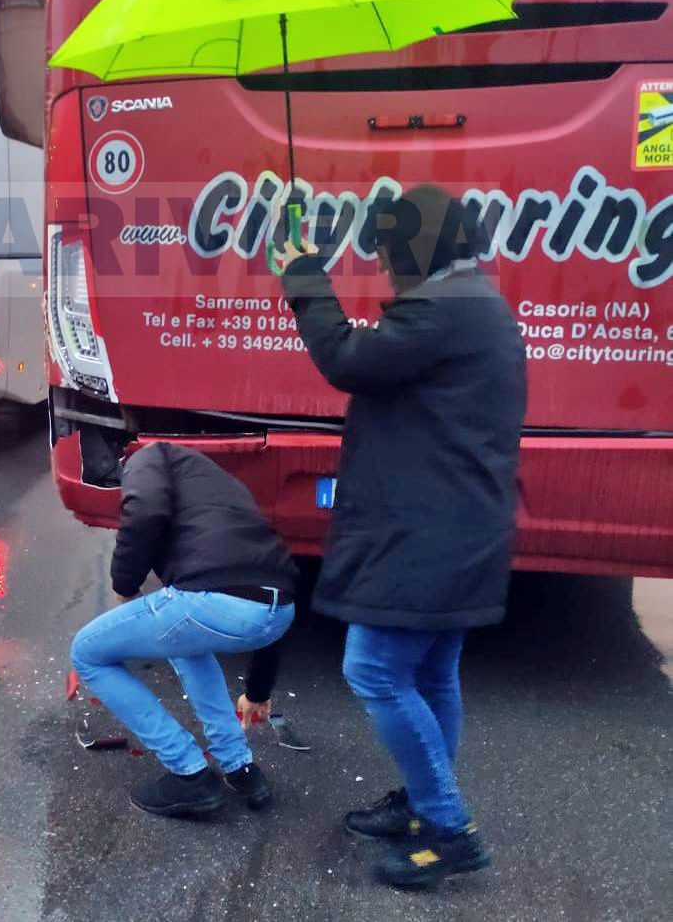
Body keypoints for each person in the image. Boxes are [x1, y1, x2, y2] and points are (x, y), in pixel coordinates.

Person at [277, 184, 526, 889]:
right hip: (458, 525)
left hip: (430, 531)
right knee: (431, 674)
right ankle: (422, 803)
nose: (383, 264)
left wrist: (302, 275)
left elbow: (349, 361)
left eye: (387, 249)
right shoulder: (470, 302)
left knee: (375, 672)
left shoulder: (446, 309)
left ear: (416, 247)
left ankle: (447, 829)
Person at [70, 441, 298, 817]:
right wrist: (257, 692)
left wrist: (125, 586)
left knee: (87, 652)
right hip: (280, 609)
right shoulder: (219, 486)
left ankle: (188, 774)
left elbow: (143, 511)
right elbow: (263, 603)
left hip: (215, 600)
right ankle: (240, 767)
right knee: (184, 643)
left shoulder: (149, 456)